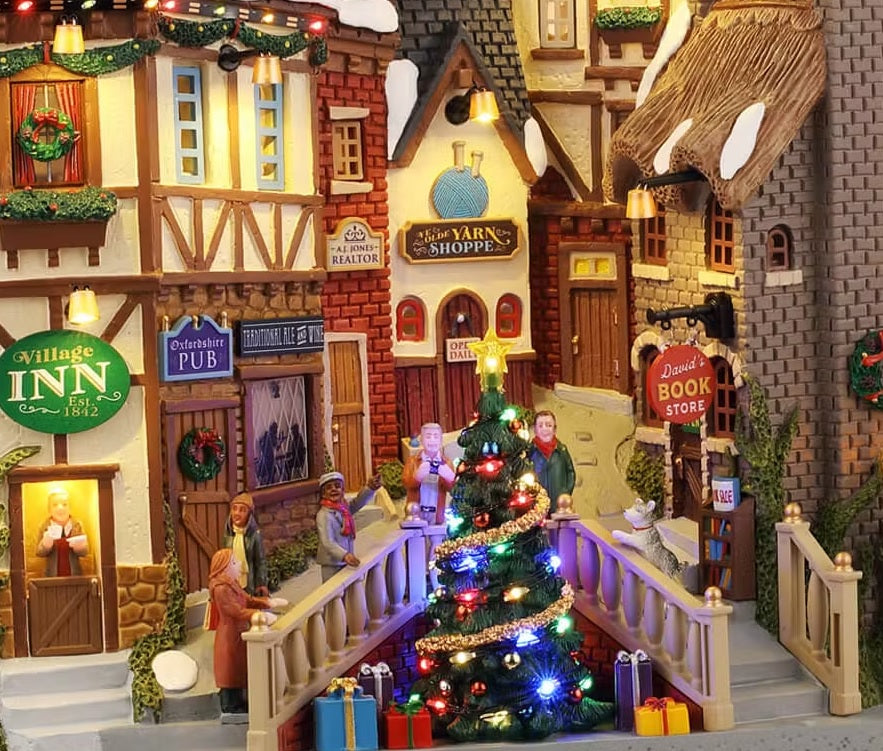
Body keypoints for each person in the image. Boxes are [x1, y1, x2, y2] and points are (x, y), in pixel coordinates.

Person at [208, 548, 286, 715]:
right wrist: (258, 615)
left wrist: (268, 603)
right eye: (235, 562)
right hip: (229, 635)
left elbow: (247, 600)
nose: (239, 565)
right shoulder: (221, 589)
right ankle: (230, 704)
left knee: (238, 668)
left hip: (239, 631)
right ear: (225, 567)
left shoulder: (232, 584)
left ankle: (239, 701)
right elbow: (235, 611)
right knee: (230, 670)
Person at [315, 470, 382, 582]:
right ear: (323, 494)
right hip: (332, 562)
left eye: (337, 486)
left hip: (346, 559)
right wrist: (344, 555)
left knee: (347, 588)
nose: (333, 490)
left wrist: (370, 488)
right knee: (333, 590)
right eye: (329, 487)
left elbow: (357, 503)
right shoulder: (324, 515)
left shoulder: (343, 509)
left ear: (342, 490)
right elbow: (327, 542)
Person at [402, 422, 456, 524]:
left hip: (437, 512)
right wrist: (417, 477)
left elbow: (452, 490)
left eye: (436, 437)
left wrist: (450, 478)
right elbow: (406, 483)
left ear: (441, 440)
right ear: (421, 440)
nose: (432, 440)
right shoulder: (412, 461)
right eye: (428, 437)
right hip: (416, 511)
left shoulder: (446, 462)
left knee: (437, 538)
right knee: (416, 538)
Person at [529, 410, 576, 515]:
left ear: (554, 429)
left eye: (549, 425)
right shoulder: (531, 451)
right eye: (540, 426)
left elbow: (570, 472)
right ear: (535, 430)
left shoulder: (562, 450)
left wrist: (565, 491)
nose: (545, 429)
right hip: (537, 504)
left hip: (559, 504)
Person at [222, 492, 269, 597]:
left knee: (247, 601)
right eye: (234, 509)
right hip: (232, 578)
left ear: (249, 514)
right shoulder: (228, 535)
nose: (237, 513)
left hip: (248, 579)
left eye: (242, 510)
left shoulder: (254, 536)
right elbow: (224, 558)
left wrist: (261, 582)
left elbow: (260, 561)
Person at [36, 488, 88, 577]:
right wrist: (45, 545)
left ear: (70, 507)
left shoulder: (77, 525)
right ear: (49, 509)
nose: (60, 508)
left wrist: (80, 547)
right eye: (55, 505)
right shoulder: (45, 526)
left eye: (64, 504)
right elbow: (39, 552)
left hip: (74, 576)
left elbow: (85, 551)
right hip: (52, 576)